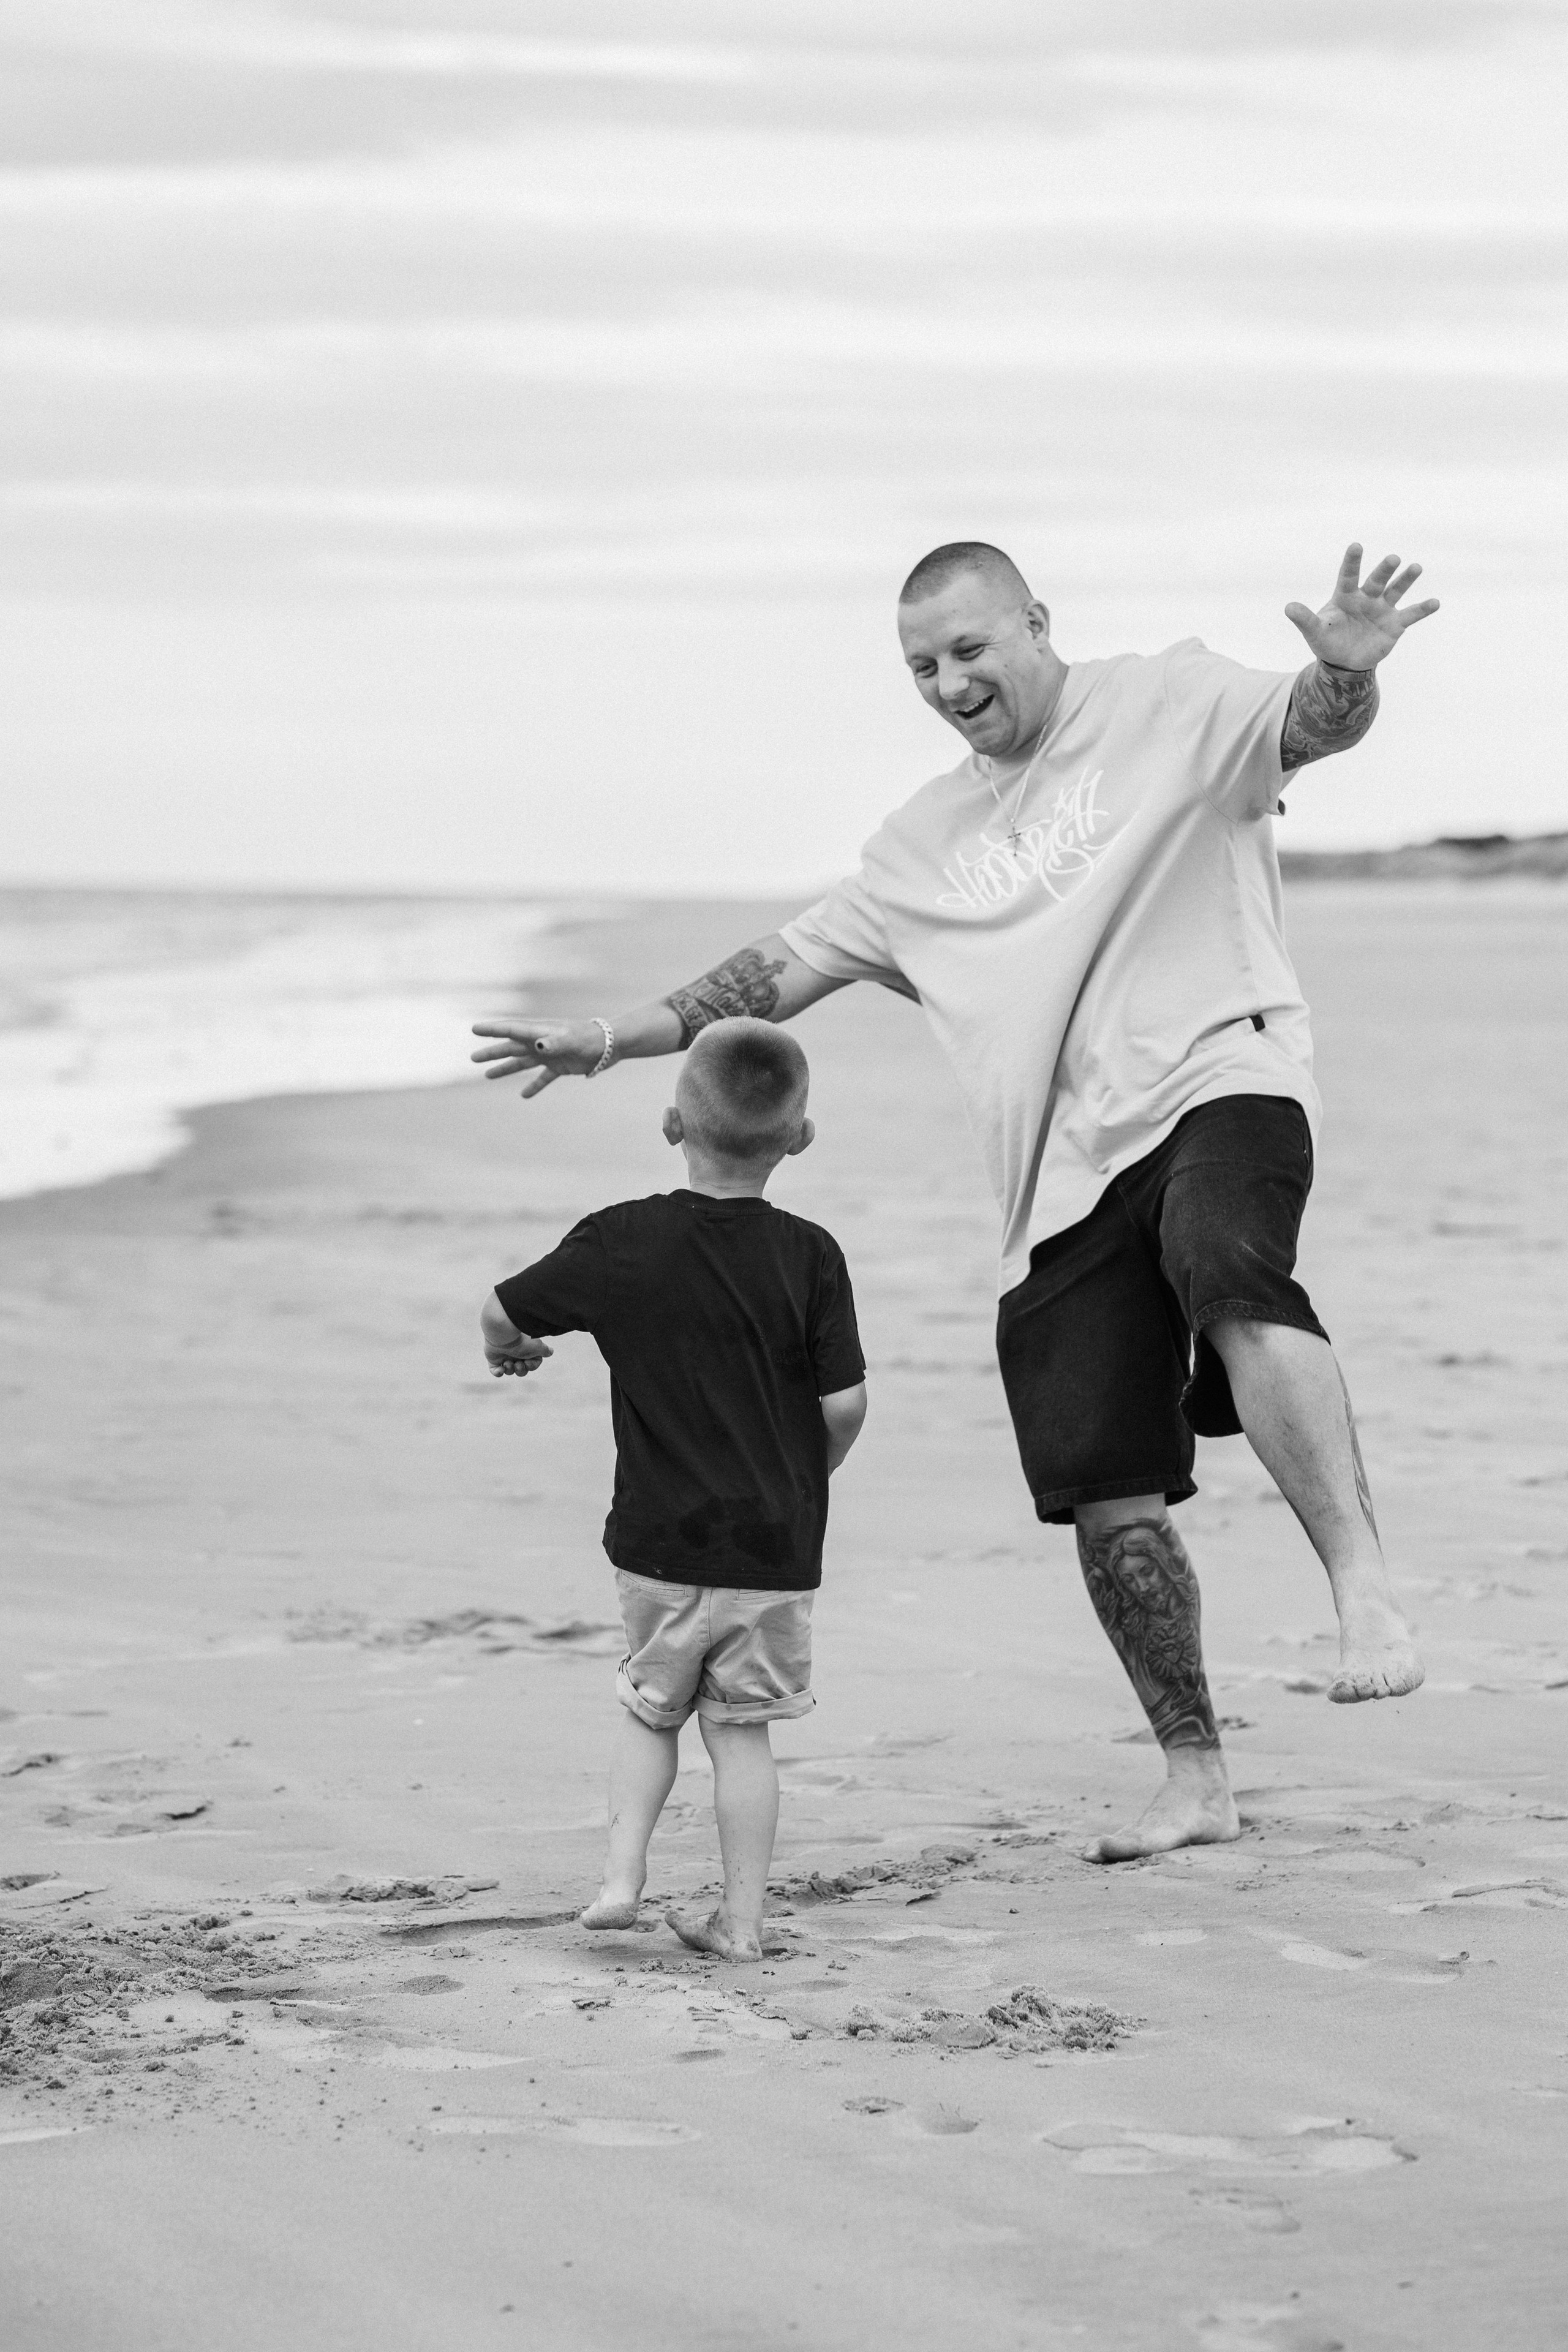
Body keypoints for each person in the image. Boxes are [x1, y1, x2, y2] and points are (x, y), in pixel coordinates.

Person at [474, 539, 1436, 1866]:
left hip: (1224, 1071)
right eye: (921, 665)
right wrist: (610, 1035)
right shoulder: (919, 847)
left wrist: (1341, 671)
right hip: (1059, 1172)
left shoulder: (1168, 701)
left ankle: (1361, 1590)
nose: (947, 680)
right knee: (1104, 1491)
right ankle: (1194, 1774)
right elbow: (767, 972)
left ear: (1034, 622)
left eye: (970, 648)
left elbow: (1312, 726)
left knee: (1226, 1265)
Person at [480, 1018, 867, 1959]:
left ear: (670, 1125)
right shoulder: (813, 1255)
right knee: (742, 1737)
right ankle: (740, 1924)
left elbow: (503, 1306)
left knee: (651, 1708)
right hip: (773, 1553)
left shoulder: (622, 1240)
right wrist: (804, 1475)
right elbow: (847, 1403)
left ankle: (620, 1882)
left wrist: (513, 1349)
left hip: (658, 1540)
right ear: (799, 1137)